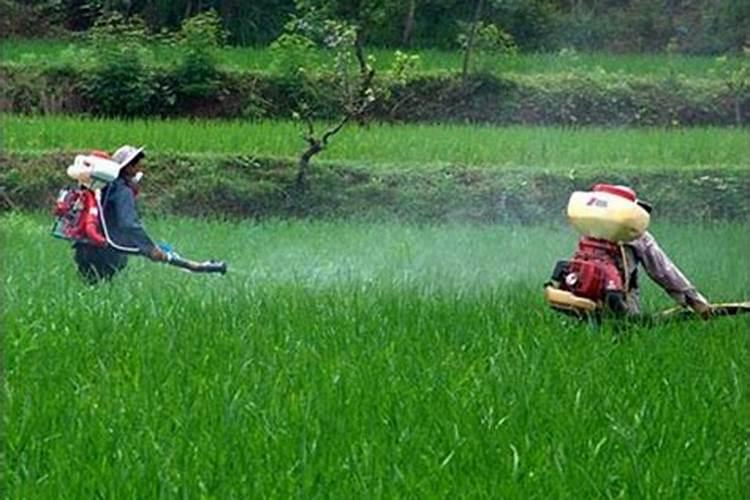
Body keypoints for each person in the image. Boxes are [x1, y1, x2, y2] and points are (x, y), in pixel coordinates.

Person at [545, 184, 711, 319]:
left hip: (584, 297)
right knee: (627, 335)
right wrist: (695, 300)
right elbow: (662, 271)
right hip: (620, 301)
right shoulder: (636, 235)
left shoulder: (589, 227)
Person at [73, 145, 167, 283]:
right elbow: (128, 224)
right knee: (103, 293)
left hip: (84, 248)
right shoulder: (122, 191)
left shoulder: (101, 186)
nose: (140, 170)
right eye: (137, 166)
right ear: (128, 167)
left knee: (88, 290)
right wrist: (150, 248)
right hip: (106, 251)